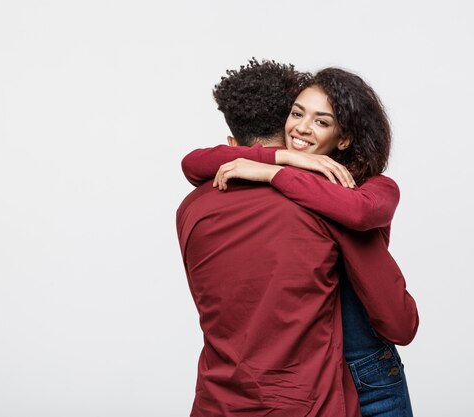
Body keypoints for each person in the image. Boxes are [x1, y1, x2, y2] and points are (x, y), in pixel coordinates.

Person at [176, 59, 418, 416]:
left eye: (322, 121)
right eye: (297, 114)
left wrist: (274, 170)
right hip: (330, 388)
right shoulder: (324, 209)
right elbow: (398, 322)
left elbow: (193, 163)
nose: (303, 128)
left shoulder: (191, 206)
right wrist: (278, 162)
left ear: (344, 137)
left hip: (219, 395)